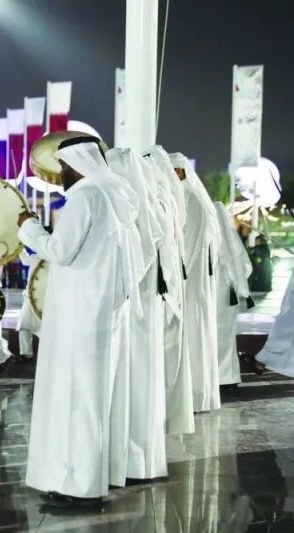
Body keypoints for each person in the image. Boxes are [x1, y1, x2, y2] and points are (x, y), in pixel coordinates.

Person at [17, 136, 140, 506]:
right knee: (88, 400)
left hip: (78, 319)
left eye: (65, 167)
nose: (61, 175)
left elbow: (60, 250)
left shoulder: (86, 198)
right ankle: (80, 480)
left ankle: (80, 487)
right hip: (97, 315)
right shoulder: (115, 197)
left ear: (79, 165)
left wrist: (28, 226)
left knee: (77, 401)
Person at [106, 148, 168, 482]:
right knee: (143, 389)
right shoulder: (149, 206)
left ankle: (131, 461)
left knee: (132, 391)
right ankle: (141, 459)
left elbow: (133, 266)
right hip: (144, 315)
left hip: (134, 317)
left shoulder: (132, 211)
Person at [143, 147, 195, 436]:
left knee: (162, 352)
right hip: (171, 288)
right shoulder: (170, 199)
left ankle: (159, 415)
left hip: (162, 291)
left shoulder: (159, 200)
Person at [170, 153, 221, 413]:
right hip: (189, 283)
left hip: (190, 284)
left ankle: (196, 395)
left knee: (194, 337)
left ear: (180, 172)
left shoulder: (191, 199)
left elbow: (188, 248)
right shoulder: (187, 198)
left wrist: (175, 279)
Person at [212, 202, 252, 393]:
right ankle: (229, 379)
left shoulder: (208, 243)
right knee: (227, 338)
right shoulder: (232, 242)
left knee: (213, 337)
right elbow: (245, 267)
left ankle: (215, 378)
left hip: (212, 298)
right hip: (229, 298)